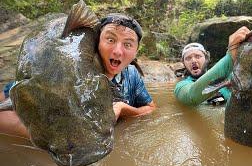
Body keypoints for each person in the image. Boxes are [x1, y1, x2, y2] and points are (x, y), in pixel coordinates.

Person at [0, 13, 156, 138]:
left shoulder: (131, 75)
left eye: (127, 44)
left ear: (136, 51)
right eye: (110, 39)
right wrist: (50, 138)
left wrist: (123, 108)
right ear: (97, 42)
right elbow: (9, 103)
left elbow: (151, 108)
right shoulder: (68, 72)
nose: (117, 51)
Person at [174, 27, 250, 106]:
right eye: (188, 58)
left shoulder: (228, 78)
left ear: (207, 59)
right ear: (184, 63)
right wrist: (230, 56)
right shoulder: (180, 87)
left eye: (198, 56)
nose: (193, 61)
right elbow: (191, 97)